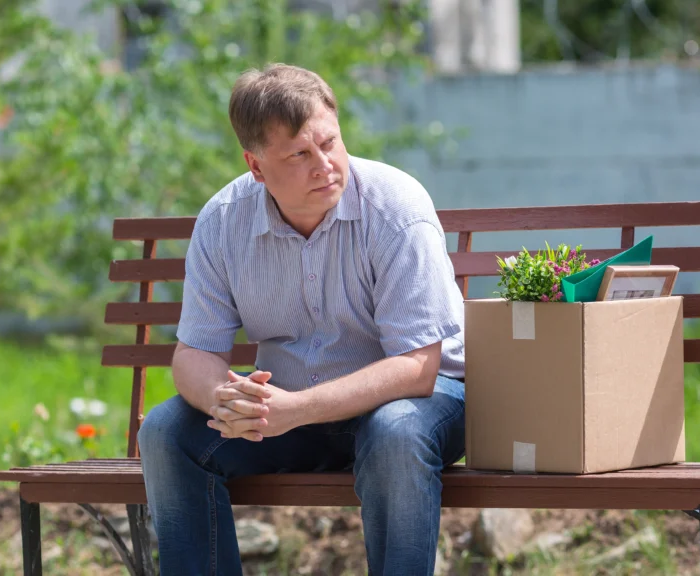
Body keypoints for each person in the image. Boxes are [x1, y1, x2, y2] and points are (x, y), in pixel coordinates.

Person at [138, 63, 466, 576]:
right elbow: (195, 354)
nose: (326, 166)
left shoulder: (396, 207)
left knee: (395, 432)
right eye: (299, 154)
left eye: (330, 143)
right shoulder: (223, 221)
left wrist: (296, 408)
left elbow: (418, 367)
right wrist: (223, 399)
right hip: (288, 410)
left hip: (419, 403)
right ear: (256, 166)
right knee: (166, 431)